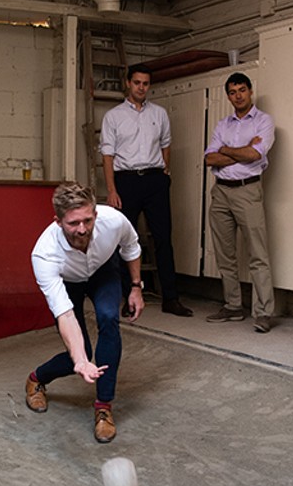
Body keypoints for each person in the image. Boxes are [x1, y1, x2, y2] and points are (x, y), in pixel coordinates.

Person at [24, 182, 144, 443]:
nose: (82, 229)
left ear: (96, 214)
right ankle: (36, 379)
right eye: (73, 223)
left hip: (103, 271)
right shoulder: (44, 255)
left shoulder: (114, 221)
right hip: (69, 282)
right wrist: (79, 360)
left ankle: (103, 407)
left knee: (109, 318)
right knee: (77, 355)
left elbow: (131, 247)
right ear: (58, 221)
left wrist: (136, 287)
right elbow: (65, 314)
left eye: (88, 220)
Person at [100, 63, 194, 318]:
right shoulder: (114, 116)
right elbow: (107, 155)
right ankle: (127, 298)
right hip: (126, 181)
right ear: (128, 83)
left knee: (164, 239)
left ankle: (171, 299)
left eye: (145, 83)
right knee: (123, 241)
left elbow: (166, 144)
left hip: (154, 180)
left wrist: (165, 171)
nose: (141, 87)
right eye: (137, 83)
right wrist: (111, 189)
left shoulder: (160, 114)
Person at [203, 72, 276, 333]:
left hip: (248, 191)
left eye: (242, 90)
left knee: (258, 254)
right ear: (228, 96)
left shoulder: (264, 122)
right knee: (225, 254)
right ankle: (233, 306)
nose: (238, 95)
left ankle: (264, 312)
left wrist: (227, 151)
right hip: (221, 192)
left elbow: (255, 154)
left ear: (250, 91)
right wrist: (241, 152)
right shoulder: (223, 125)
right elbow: (209, 160)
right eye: (233, 92)